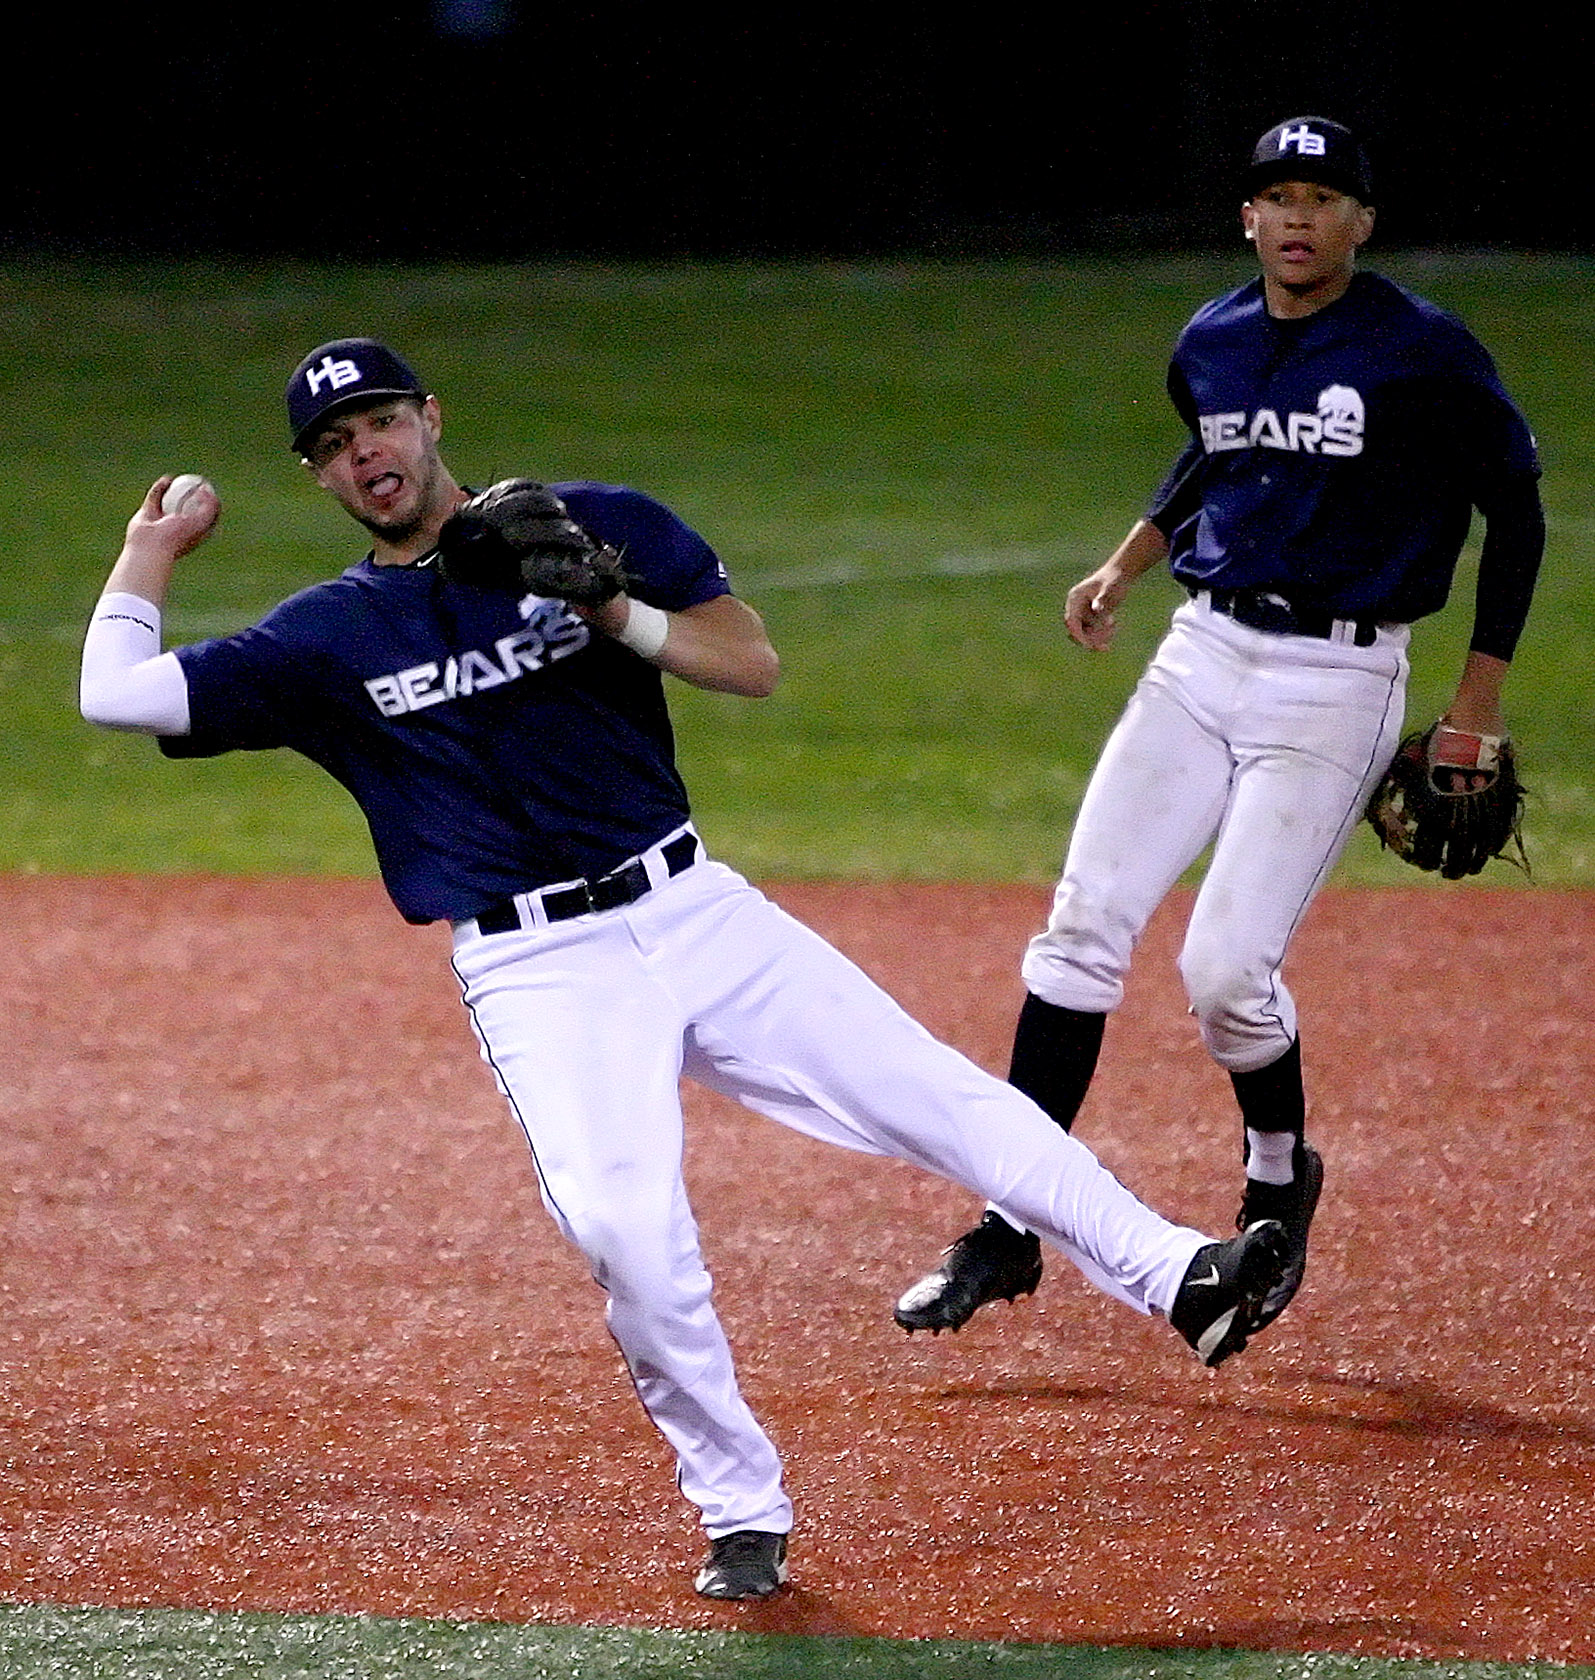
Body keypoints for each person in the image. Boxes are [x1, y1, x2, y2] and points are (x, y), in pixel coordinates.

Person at [80, 337, 1290, 1602]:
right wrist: (150, 553)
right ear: (322, 481)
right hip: (539, 966)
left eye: (378, 423)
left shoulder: (587, 525)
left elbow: (748, 663)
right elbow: (114, 695)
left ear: (432, 417)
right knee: (621, 1229)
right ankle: (739, 1504)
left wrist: (612, 608)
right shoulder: (325, 637)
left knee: (939, 1094)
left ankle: (1177, 1275)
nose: (363, 455)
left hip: (696, 904)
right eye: (332, 449)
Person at [895, 116, 1544, 1338]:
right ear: (1244, 217)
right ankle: (1006, 1226)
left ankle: (1274, 1179)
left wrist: (1475, 703)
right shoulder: (1213, 338)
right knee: (1077, 934)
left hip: (1339, 680)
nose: (1295, 217)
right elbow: (1212, 455)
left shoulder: (1422, 352)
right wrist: (1126, 564)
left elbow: (1514, 511)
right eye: (1272, 197)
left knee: (1224, 976)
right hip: (1203, 653)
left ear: (1361, 221)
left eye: (1320, 197)